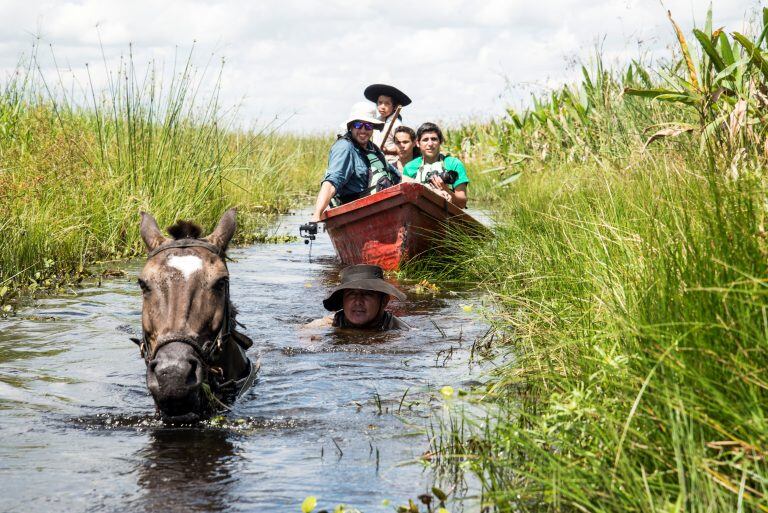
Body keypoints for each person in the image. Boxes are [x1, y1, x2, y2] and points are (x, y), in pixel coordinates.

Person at [310, 102, 400, 223]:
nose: (363, 130)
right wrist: (316, 215)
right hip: (355, 214)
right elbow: (331, 183)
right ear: (351, 126)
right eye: (358, 125)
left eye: (368, 126)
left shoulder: (373, 149)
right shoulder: (345, 148)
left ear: (373, 128)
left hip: (382, 209)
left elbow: (396, 176)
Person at [306, 265, 410, 331]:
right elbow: (303, 333)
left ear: (383, 301)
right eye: (351, 294)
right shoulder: (327, 324)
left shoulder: (400, 331)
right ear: (342, 301)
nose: (358, 301)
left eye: (367, 294)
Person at [402, 122, 469, 208]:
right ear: (418, 143)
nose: (430, 144)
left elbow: (462, 203)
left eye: (434, 139)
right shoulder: (409, 167)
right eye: (425, 140)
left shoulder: (453, 164)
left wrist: (445, 189)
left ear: (440, 141)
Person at [364, 84, 412, 167]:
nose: (382, 107)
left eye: (387, 103)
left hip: (392, 164)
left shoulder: (396, 125)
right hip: (377, 162)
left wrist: (388, 151)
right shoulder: (376, 121)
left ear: (395, 107)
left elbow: (404, 148)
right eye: (380, 103)